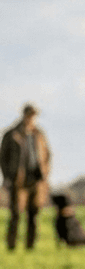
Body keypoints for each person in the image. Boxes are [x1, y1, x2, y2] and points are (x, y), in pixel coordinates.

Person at [2, 104, 51, 251]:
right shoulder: (12, 134)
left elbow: (47, 155)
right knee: (16, 213)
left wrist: (45, 173)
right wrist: (8, 176)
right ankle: (11, 246)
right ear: (24, 115)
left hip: (36, 179)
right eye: (29, 115)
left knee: (34, 214)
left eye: (34, 116)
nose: (32, 118)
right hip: (18, 180)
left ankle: (31, 247)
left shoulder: (39, 134)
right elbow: (3, 157)